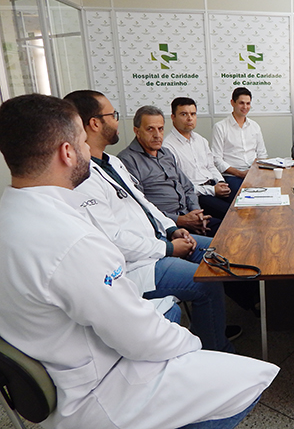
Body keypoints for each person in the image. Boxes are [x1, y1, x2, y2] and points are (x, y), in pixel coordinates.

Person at [0, 93, 279, 429]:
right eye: (82, 141)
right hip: (100, 388)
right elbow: (138, 335)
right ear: (67, 152)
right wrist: (194, 346)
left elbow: (141, 207)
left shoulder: (13, 215)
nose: (88, 149)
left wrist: (171, 230)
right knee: (251, 383)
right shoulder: (73, 240)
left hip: (69, 362)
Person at [67, 90, 239, 351]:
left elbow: (144, 203)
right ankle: (217, 350)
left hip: (159, 239)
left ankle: (211, 326)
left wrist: (171, 230)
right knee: (206, 284)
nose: (117, 120)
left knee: (222, 249)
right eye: (113, 115)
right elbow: (115, 240)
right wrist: (168, 248)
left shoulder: (112, 162)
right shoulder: (85, 176)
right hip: (139, 263)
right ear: (94, 123)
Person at [118, 105, 221, 236]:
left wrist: (196, 213)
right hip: (166, 227)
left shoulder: (166, 153)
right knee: (222, 242)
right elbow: (139, 206)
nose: (157, 135)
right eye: (150, 129)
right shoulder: (127, 160)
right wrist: (180, 220)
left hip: (189, 216)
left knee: (233, 230)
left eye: (160, 129)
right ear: (137, 131)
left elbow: (188, 187)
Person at [164, 97, 239, 221]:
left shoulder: (200, 140)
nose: (190, 118)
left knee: (246, 203)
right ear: (173, 117)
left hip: (214, 185)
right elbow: (179, 187)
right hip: (197, 195)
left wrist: (220, 182)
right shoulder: (168, 147)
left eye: (193, 114)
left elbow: (211, 166)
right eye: (184, 114)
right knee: (234, 214)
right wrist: (212, 190)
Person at [211, 87, 268, 186]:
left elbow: (262, 154)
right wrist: (240, 174)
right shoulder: (220, 127)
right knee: (247, 192)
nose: (245, 107)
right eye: (241, 103)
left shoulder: (254, 126)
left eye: (248, 103)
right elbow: (216, 159)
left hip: (253, 173)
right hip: (232, 176)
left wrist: (257, 171)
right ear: (232, 103)